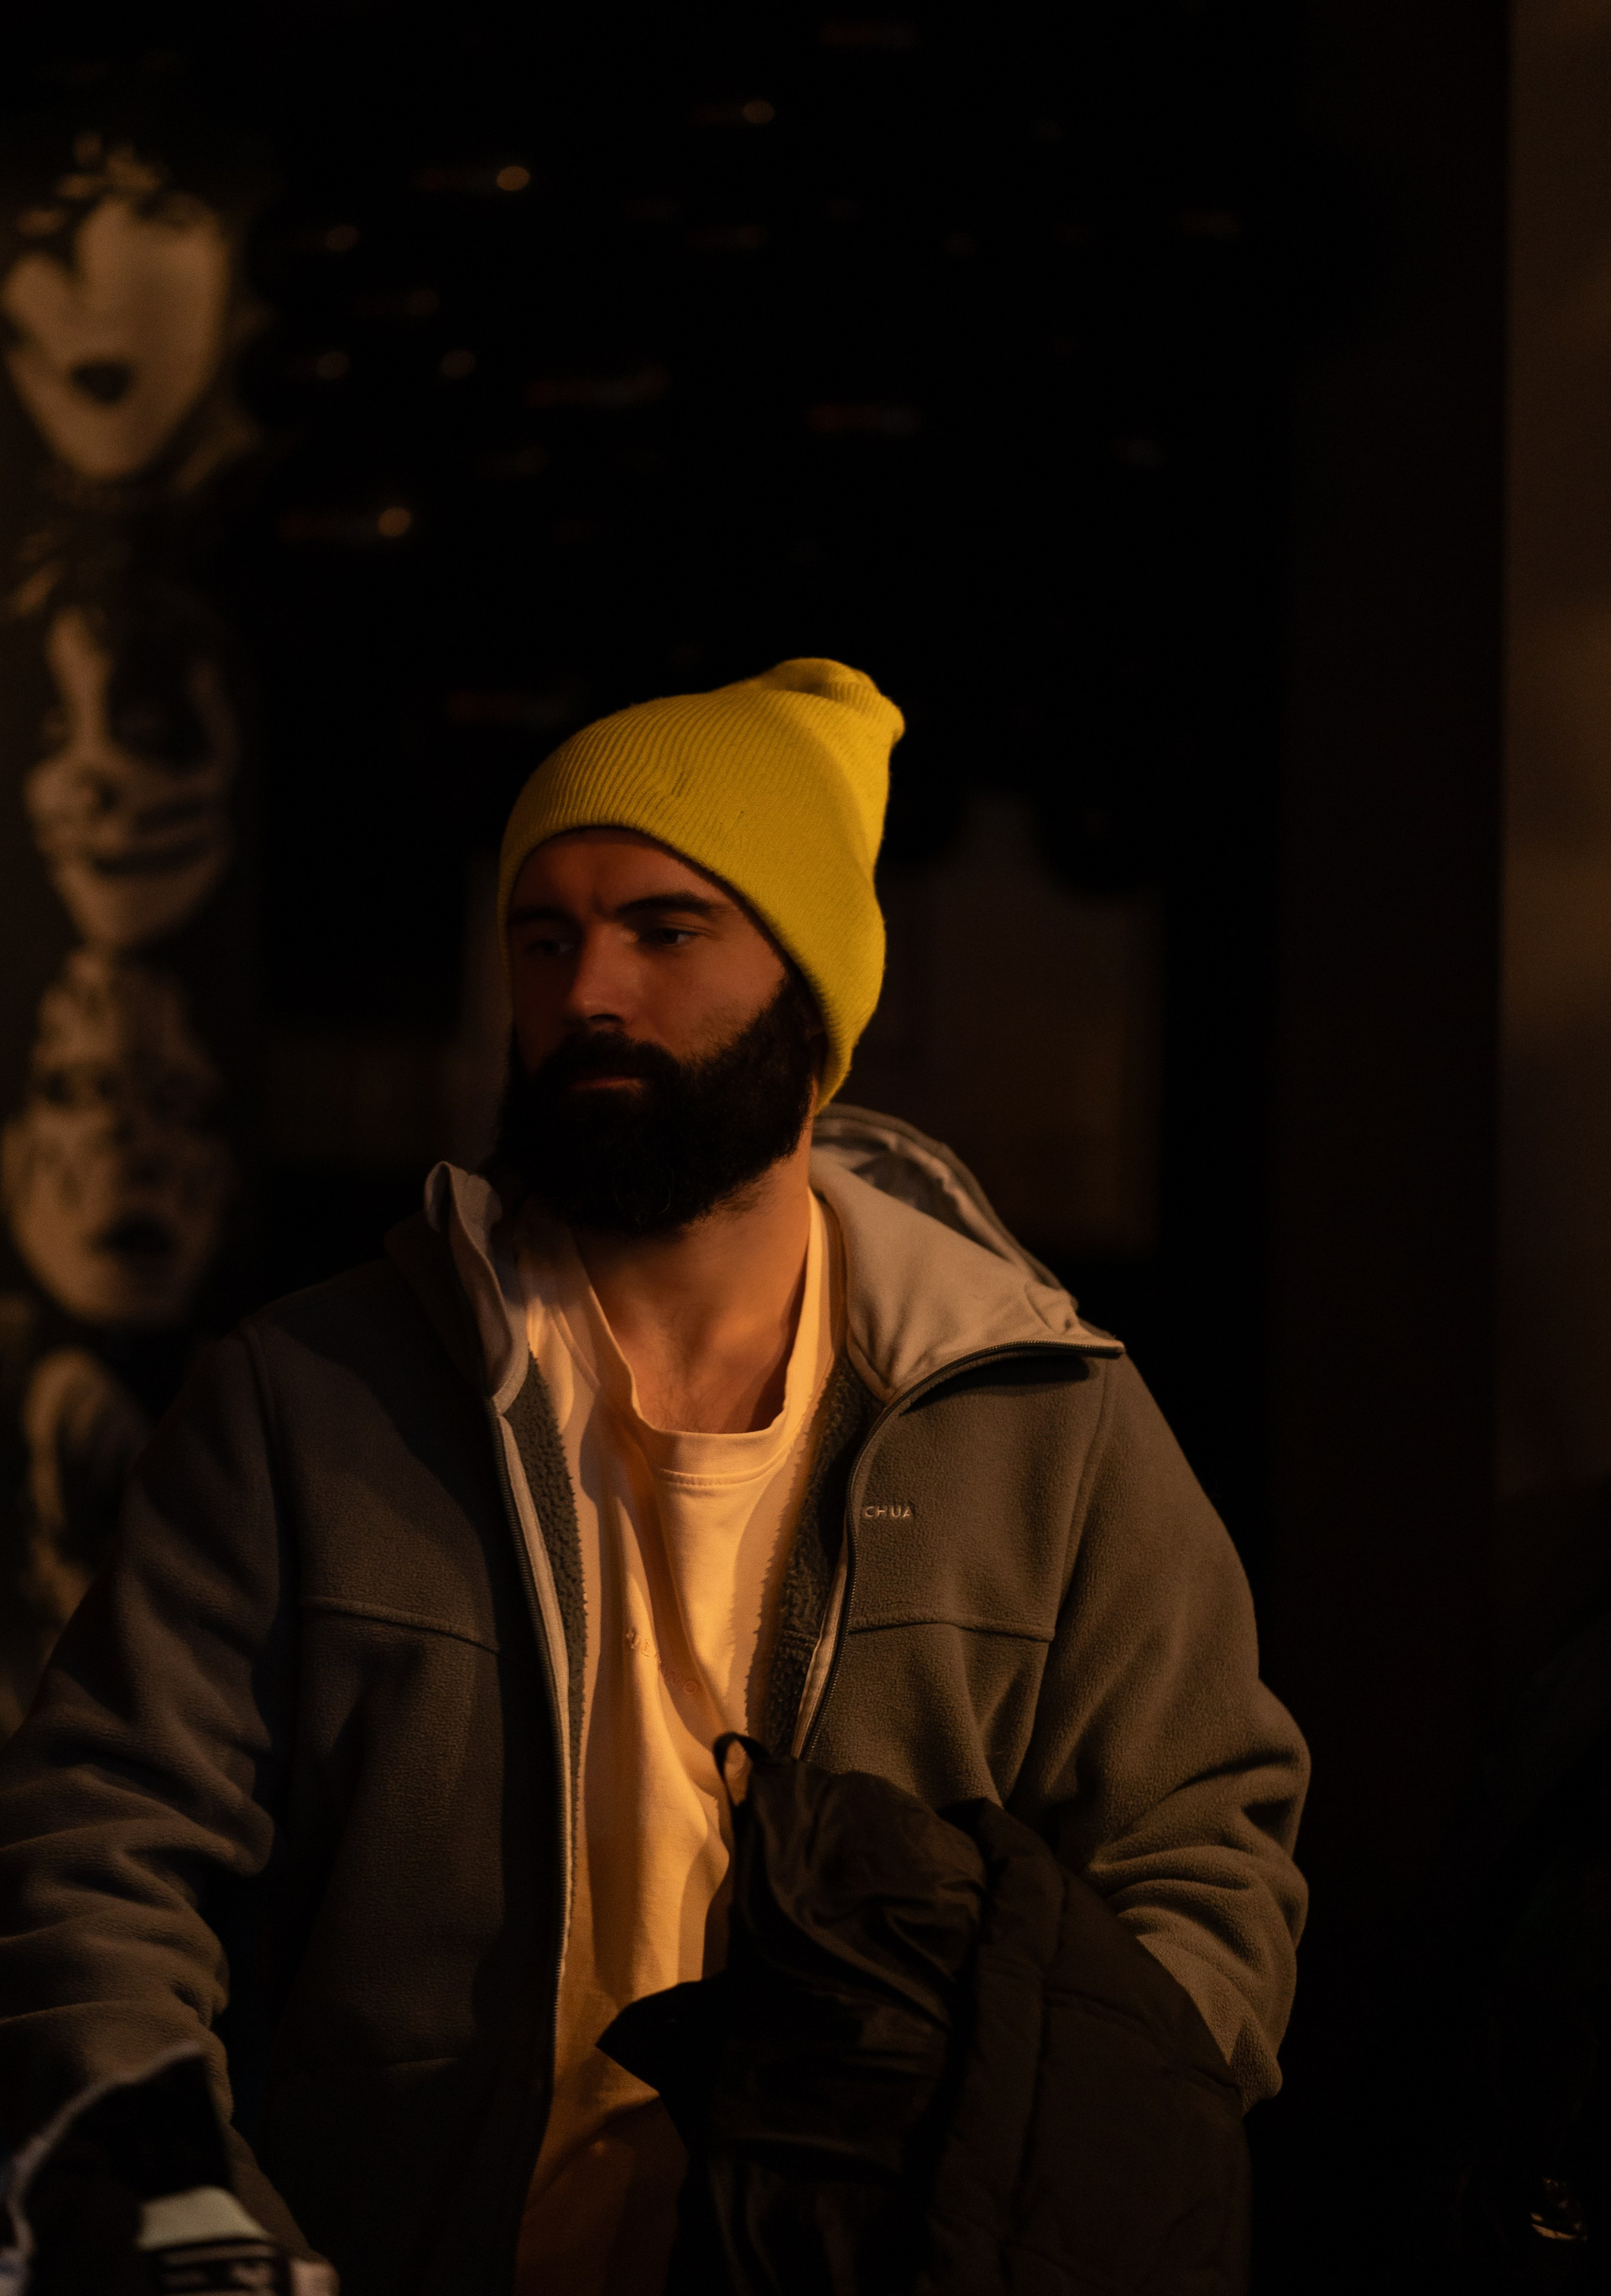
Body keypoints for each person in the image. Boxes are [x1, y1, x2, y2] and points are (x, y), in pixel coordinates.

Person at [0, 659, 1309, 2296]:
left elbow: (1206, 1854)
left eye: (665, 930)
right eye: (543, 938)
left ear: (812, 994)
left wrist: (1042, 2170)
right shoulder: (312, 1401)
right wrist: (182, 2223)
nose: (591, 991)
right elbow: (96, 1851)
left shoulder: (1041, 1420)